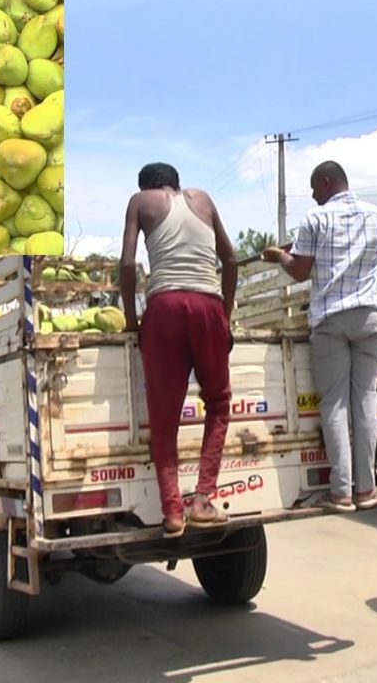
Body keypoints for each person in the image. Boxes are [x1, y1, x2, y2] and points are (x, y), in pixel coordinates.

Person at [261, 160, 377, 512]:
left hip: (331, 320)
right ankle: (367, 488)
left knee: (335, 404)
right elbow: (371, 256)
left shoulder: (315, 219)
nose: (312, 195)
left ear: (326, 181)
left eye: (314, 187)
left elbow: (301, 272)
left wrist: (279, 257)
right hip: (369, 318)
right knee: (365, 400)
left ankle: (341, 492)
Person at [120, 162, 238, 538]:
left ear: (147, 186)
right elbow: (231, 261)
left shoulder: (140, 201)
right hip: (208, 305)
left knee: (164, 418)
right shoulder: (203, 198)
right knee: (218, 404)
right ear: (176, 184)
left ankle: (173, 513)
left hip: (165, 307)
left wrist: (131, 321)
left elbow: (127, 264)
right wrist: (226, 315)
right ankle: (203, 499)